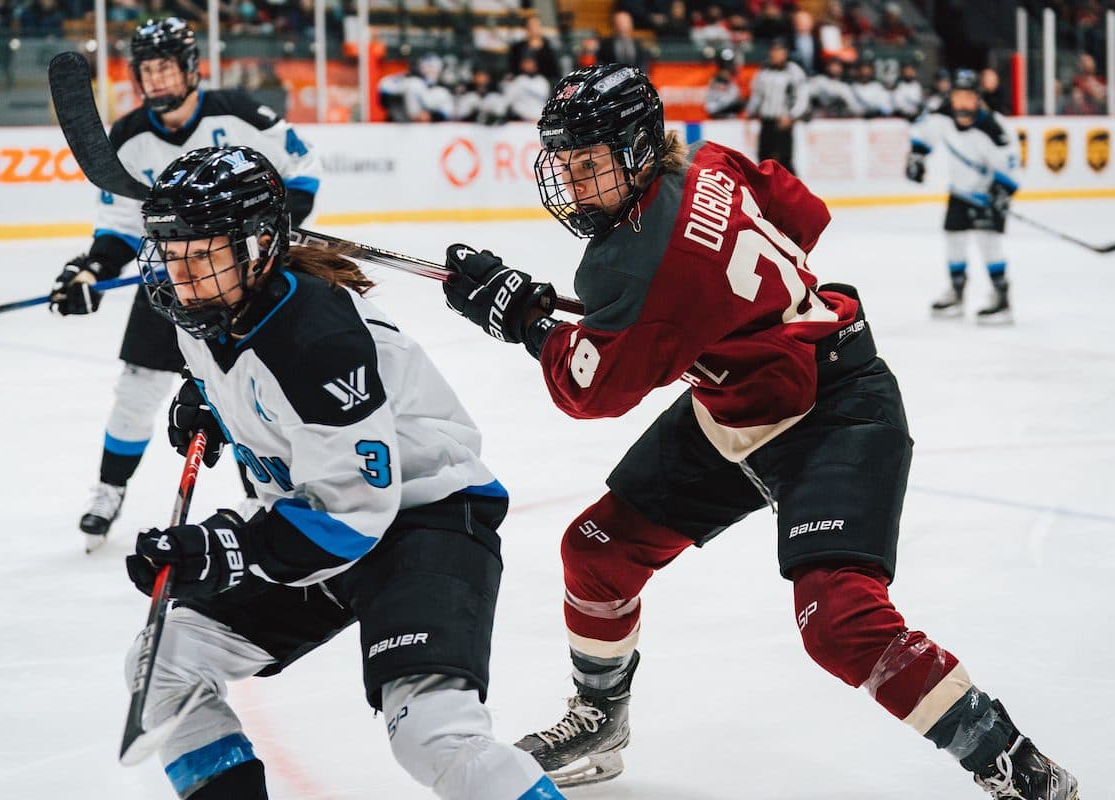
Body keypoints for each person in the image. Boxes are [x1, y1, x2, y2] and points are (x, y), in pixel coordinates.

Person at [440, 64, 1079, 798]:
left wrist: (525, 323)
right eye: (568, 165)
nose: (577, 185)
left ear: (641, 149)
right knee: (599, 552)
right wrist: (709, 306)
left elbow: (591, 390)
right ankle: (600, 718)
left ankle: (1015, 765)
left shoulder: (637, 260)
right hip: (740, 401)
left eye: (591, 164)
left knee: (838, 618)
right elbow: (800, 212)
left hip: (833, 408)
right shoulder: (710, 161)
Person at [123, 145, 566, 800]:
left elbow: (352, 516)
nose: (183, 275)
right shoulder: (209, 310)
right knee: (165, 660)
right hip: (318, 521)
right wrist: (212, 404)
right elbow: (243, 379)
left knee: (432, 736)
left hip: (425, 520)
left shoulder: (313, 341)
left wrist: (226, 548)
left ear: (258, 245)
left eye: (203, 252)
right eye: (174, 253)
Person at [48, 17, 322, 552]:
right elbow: (121, 228)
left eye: (165, 66)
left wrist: (271, 229)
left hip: (244, 284)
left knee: (251, 390)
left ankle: (259, 495)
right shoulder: (127, 137)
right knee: (135, 391)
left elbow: (303, 168)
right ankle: (109, 490)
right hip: (167, 283)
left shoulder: (239, 113)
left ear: (190, 67)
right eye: (146, 69)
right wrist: (92, 271)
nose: (156, 79)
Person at [906, 68, 1019, 323]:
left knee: (988, 242)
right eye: (958, 96)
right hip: (959, 192)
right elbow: (922, 133)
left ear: (978, 98)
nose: (962, 102)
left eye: (969, 96)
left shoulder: (994, 127)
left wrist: (1001, 193)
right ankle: (957, 293)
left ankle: (1001, 298)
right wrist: (916, 158)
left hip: (987, 194)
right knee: (953, 238)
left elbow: (1010, 163)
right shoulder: (941, 117)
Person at [746, 38, 809, 174]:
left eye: (778, 50)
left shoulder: (794, 71)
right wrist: (750, 112)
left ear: (785, 53)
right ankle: (766, 193)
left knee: (785, 160)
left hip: (783, 121)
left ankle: (794, 193)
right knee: (764, 159)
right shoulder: (763, 71)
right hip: (766, 120)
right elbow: (757, 95)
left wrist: (792, 115)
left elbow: (802, 97)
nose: (775, 54)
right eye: (773, 50)